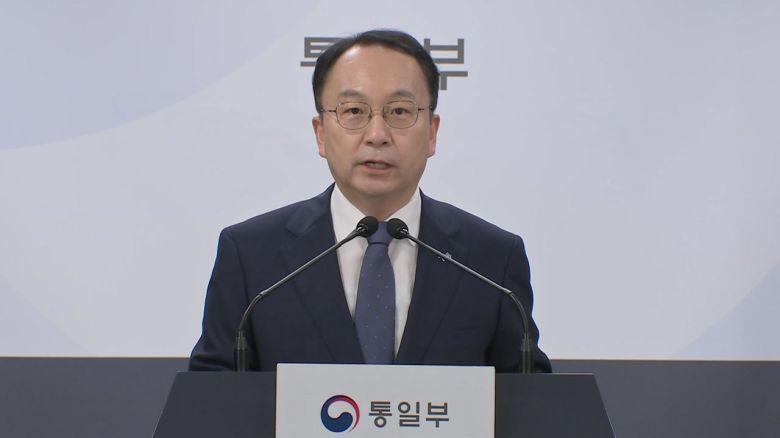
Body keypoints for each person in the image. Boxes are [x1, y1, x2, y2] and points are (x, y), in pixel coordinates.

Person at [189, 29, 551, 373]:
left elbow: (529, 400)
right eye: (354, 111)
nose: (377, 135)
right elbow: (211, 395)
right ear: (320, 133)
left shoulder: (491, 260)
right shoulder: (252, 256)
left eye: (400, 112)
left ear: (431, 133)